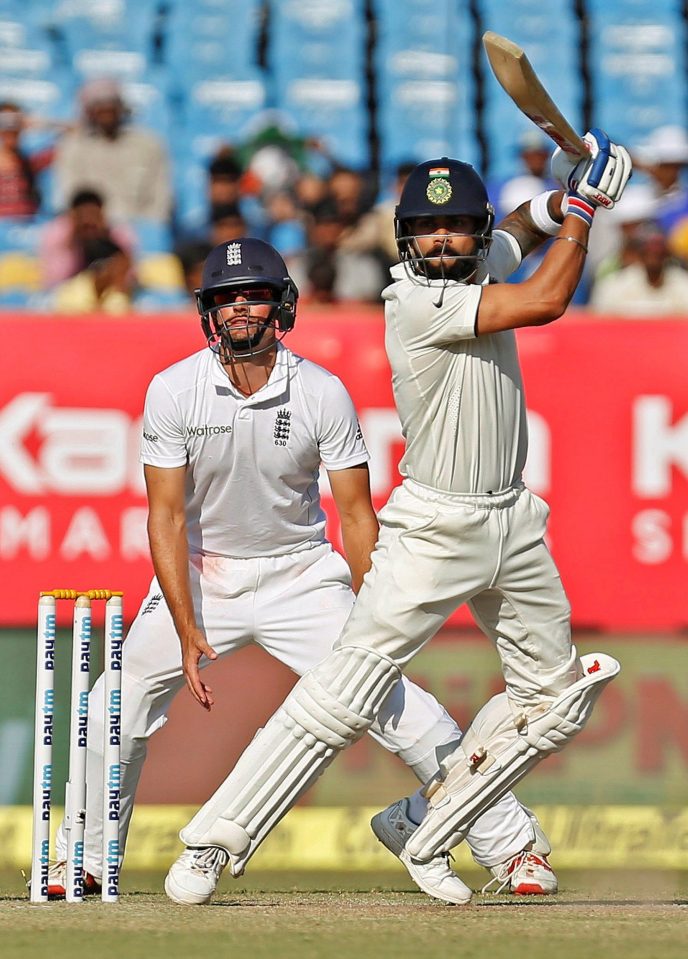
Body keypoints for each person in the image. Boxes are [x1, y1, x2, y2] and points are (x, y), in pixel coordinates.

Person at [164, 132, 631, 904]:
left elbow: (515, 231)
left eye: (455, 228)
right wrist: (585, 208)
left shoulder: (478, 264)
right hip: (434, 524)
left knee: (556, 700)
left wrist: (553, 200)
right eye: (425, 229)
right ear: (405, 240)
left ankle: (426, 816)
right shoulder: (416, 299)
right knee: (343, 695)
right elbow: (547, 299)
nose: (440, 239)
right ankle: (216, 841)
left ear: (474, 236)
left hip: (513, 519)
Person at [43, 238, 558, 902]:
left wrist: (381, 615)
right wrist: (185, 625)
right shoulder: (174, 390)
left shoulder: (321, 391)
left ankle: (512, 848)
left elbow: (356, 516)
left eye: (252, 294)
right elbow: (165, 518)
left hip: (302, 579)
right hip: (204, 576)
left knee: (404, 709)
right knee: (113, 704)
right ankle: (81, 859)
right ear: (207, 309)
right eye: (225, 298)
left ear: (281, 303)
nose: (238, 309)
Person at [53, 78, 172, 224]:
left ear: (121, 107)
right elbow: (69, 195)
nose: (106, 111)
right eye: (99, 106)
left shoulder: (149, 145)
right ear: (89, 111)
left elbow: (160, 199)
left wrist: (146, 229)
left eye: (111, 104)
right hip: (93, 230)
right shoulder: (72, 147)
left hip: (140, 229)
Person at [39, 188, 136, 289]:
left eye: (94, 214)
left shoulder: (117, 233)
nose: (89, 222)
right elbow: (55, 281)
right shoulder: (58, 233)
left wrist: (105, 238)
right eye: (83, 215)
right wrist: (74, 239)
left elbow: (131, 277)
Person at [590, 221, 688, 316]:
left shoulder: (683, 284)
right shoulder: (614, 286)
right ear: (640, 253)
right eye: (649, 250)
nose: (654, 254)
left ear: (667, 254)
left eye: (658, 250)